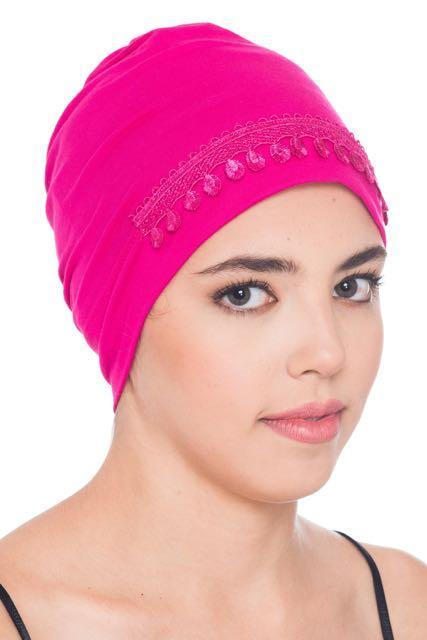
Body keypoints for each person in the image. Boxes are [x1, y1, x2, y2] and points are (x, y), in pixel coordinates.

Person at [1, 21, 426, 639]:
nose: (327, 351)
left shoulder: (409, 606)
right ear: (118, 316)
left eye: (352, 286)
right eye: (245, 294)